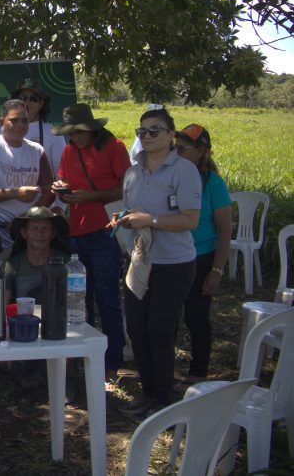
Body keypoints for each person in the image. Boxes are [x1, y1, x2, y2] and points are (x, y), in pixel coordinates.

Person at [114, 107, 201, 417]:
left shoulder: (184, 170)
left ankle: (161, 400)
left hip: (174, 263)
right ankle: (147, 392)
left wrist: (148, 218)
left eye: (155, 131)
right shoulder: (133, 171)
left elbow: (190, 220)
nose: (147, 137)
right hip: (140, 260)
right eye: (142, 132)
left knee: (159, 330)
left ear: (170, 135)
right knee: (136, 329)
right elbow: (131, 211)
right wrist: (124, 219)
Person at [51, 103, 130, 376]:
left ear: (92, 128)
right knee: (79, 299)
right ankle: (84, 355)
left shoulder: (114, 147)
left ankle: (113, 360)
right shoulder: (69, 151)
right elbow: (63, 179)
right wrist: (61, 189)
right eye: (70, 133)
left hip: (106, 230)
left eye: (79, 131)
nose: (75, 137)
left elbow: (127, 188)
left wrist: (91, 197)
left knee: (107, 297)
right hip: (77, 232)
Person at [174, 123, 232, 382]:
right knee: (167, 317)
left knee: (196, 317)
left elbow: (225, 230)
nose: (177, 153)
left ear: (201, 151)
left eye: (183, 149)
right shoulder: (171, 176)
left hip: (200, 258)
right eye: (175, 148)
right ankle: (164, 370)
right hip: (173, 257)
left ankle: (198, 373)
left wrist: (216, 272)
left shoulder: (213, 184)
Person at [0, 99, 54, 254]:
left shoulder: (37, 150)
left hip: (27, 231)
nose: (20, 126)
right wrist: (16, 193)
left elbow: (48, 189)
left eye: (24, 120)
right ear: (2, 121)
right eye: (14, 120)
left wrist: (25, 219)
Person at [3, 206, 72, 303]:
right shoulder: (12, 266)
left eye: (45, 228)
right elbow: (2, 304)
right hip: (23, 317)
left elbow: (76, 302)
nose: (40, 234)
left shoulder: (67, 264)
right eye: (34, 228)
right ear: (24, 233)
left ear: (53, 234)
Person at [11, 79, 66, 182]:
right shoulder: (2, 130)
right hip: (12, 196)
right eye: (22, 98)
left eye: (33, 99)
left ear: (41, 104)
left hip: (44, 195)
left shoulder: (54, 133)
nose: (27, 102)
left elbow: (61, 174)